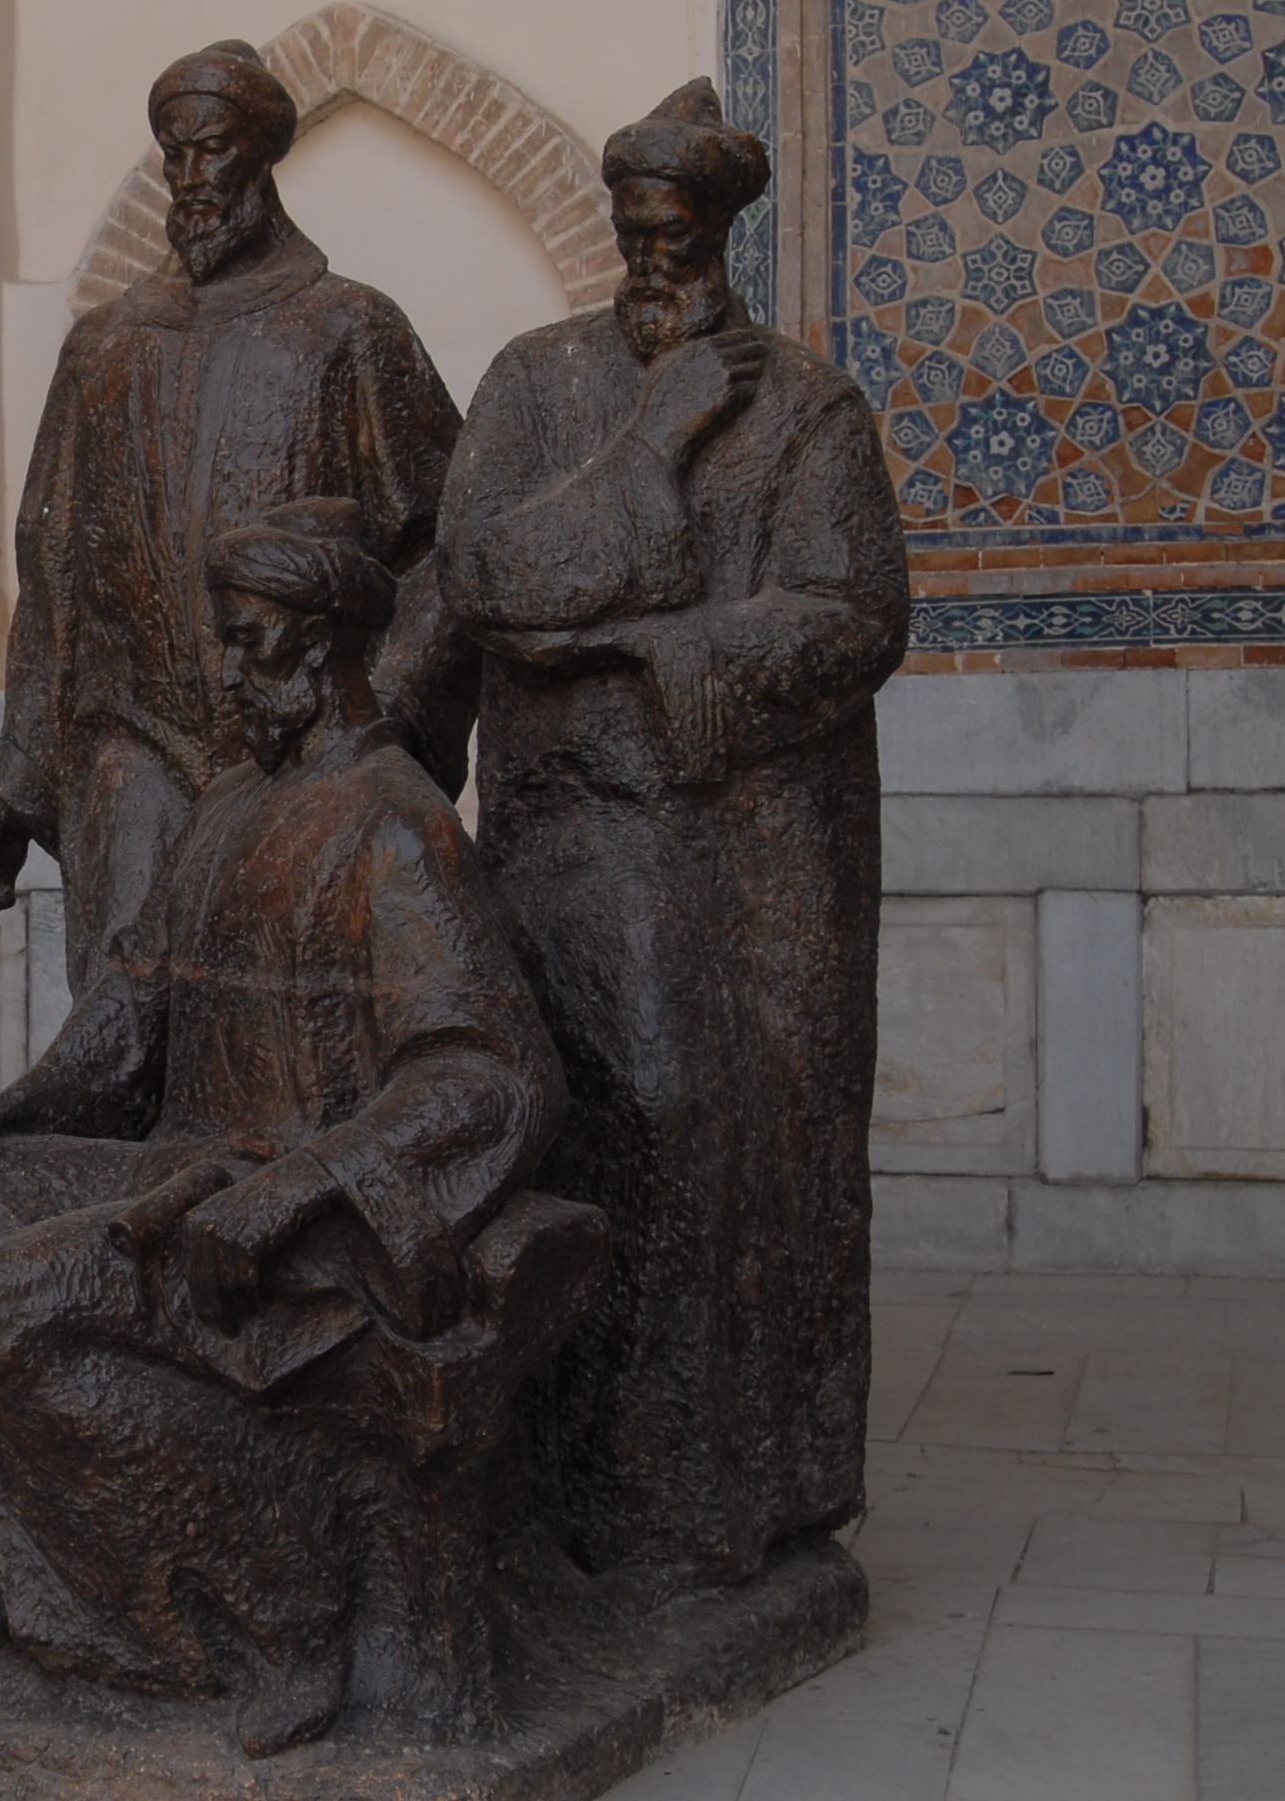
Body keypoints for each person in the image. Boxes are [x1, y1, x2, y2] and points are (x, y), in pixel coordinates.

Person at [0, 499, 601, 1753]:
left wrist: (306, 1182)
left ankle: (280, 1604)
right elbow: (131, 1007)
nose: (225, 671)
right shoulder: (229, 806)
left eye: (245, 640)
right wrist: (16, 1105)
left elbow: (491, 1073)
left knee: (2, 1303)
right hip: (186, 1180)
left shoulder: (393, 822)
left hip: (303, 1236)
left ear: (320, 646)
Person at [438, 78, 908, 1587]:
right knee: (600, 1120)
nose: (654, 259)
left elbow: (853, 613)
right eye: (635, 234)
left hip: (761, 853)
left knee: (747, 1154)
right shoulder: (536, 383)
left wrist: (664, 651)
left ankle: (738, 1495)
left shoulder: (809, 407)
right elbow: (485, 576)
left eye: (680, 235)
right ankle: (571, 1493)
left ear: (719, 232)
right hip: (569, 841)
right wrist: (650, 443)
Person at [0, 41, 474, 991]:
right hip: (130, 743)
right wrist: (15, 788)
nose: (191, 176)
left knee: (292, 1010)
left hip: (293, 743)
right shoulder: (104, 349)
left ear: (262, 157)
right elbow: (52, 568)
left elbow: (445, 545)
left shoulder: (350, 328)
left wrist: (378, 715)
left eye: (215, 150)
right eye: (175, 153)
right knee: (123, 1001)